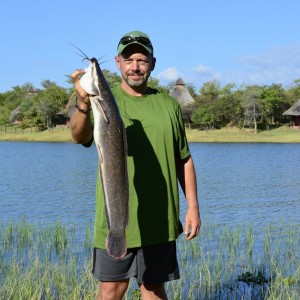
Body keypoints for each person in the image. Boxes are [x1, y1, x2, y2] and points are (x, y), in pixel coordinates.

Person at [70, 30, 201, 300]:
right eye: (129, 60)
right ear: (118, 63)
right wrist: (83, 102)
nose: (135, 67)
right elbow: (78, 136)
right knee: (110, 290)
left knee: (154, 290)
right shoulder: (101, 101)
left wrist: (193, 208)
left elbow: (183, 158)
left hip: (160, 220)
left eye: (142, 60)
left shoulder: (168, 105)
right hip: (114, 222)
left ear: (152, 63)